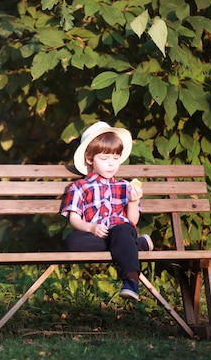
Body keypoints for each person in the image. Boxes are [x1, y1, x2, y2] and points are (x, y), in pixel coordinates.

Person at [60, 121, 153, 301]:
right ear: (89, 158)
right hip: (96, 234)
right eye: (104, 159)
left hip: (121, 229)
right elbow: (74, 219)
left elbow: (132, 221)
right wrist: (91, 228)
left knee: (123, 230)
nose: (111, 164)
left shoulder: (124, 186)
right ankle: (136, 245)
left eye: (116, 158)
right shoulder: (79, 187)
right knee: (72, 241)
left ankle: (131, 281)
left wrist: (133, 202)